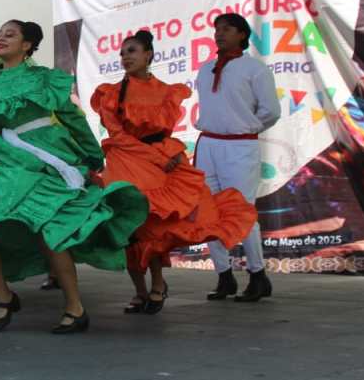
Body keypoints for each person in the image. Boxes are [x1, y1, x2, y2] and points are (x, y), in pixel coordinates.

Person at [0, 20, 149, 334]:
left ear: (27, 45)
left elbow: (73, 118)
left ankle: (74, 306)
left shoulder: (44, 79)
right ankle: (4, 296)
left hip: (52, 159)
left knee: (50, 232)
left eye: (10, 34)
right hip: (13, 164)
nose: (1, 38)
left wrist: (91, 156)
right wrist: (10, 152)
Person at [90, 30, 257, 314]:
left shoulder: (166, 92)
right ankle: (140, 291)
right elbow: (117, 136)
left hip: (160, 163)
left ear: (148, 55)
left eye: (131, 51)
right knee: (128, 227)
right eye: (122, 53)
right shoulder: (112, 94)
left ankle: (157, 284)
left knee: (155, 226)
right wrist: (155, 156)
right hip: (128, 162)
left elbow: (163, 132)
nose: (125, 57)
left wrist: (164, 155)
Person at [196, 13, 281, 302]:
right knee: (208, 211)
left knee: (241, 211)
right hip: (208, 144)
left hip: (239, 146)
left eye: (227, 29)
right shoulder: (205, 69)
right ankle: (224, 276)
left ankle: (258, 276)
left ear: (242, 35)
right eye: (217, 29)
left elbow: (271, 110)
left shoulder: (254, 68)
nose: (220, 33)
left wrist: (247, 128)